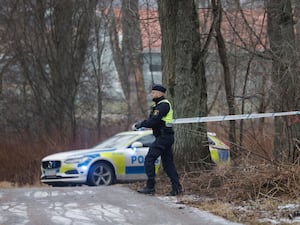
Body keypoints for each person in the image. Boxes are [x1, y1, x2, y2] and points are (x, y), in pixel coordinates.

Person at [134, 84, 182, 196]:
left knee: (149, 159)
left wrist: (141, 124)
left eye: (154, 92)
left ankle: (150, 187)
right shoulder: (159, 105)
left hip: (163, 137)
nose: (152, 94)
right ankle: (177, 188)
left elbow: (154, 121)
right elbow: (154, 120)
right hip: (165, 137)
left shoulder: (163, 105)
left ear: (160, 93)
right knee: (168, 164)